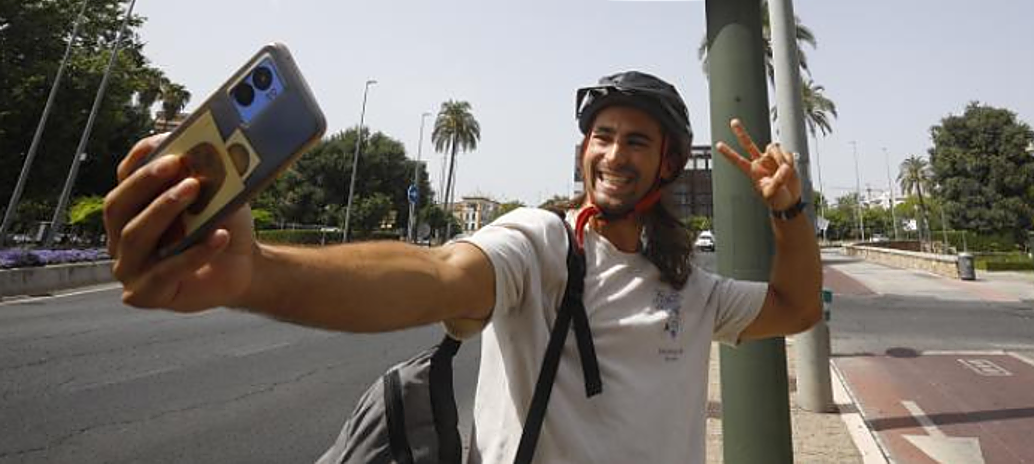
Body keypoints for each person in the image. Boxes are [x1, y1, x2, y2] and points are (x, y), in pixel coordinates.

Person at [104, 71, 822, 462]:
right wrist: (256, 274)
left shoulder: (690, 287)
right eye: (602, 136)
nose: (613, 154)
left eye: (637, 141)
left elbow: (794, 307)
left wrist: (789, 213)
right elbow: (438, 277)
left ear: (666, 164)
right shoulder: (542, 243)